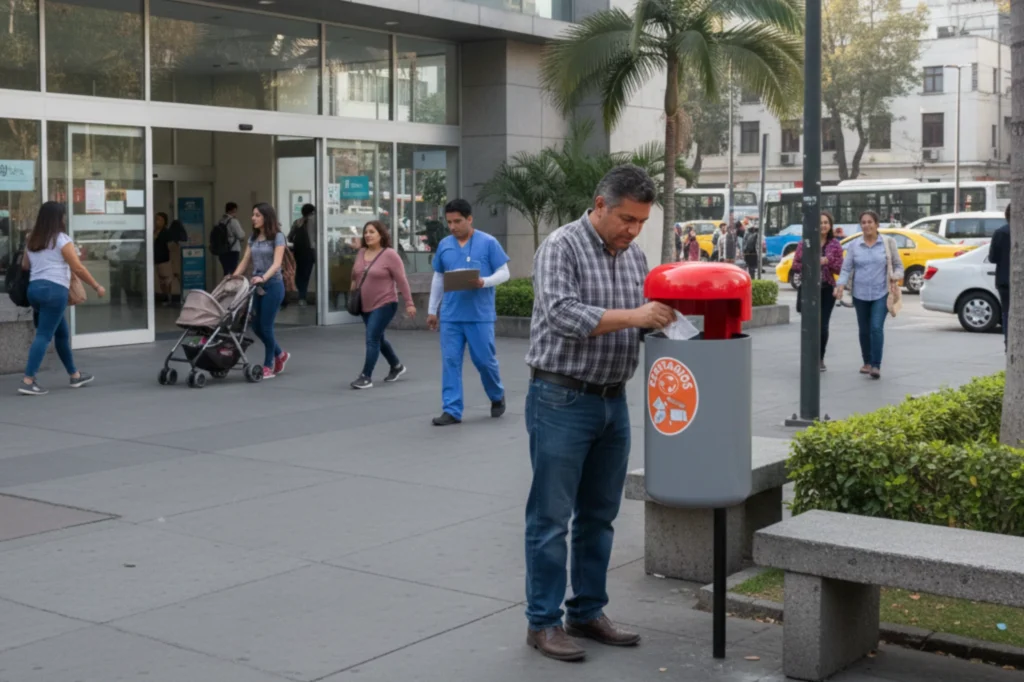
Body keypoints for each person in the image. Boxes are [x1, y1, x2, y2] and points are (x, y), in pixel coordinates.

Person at [523, 165, 676, 662]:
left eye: (641, 222)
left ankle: (587, 611)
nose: (632, 231)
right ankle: (543, 623)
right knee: (551, 518)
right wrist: (636, 316)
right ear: (600, 204)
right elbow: (561, 313)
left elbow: (644, 317)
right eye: (626, 219)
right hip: (561, 399)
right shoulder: (561, 246)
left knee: (600, 516)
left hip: (614, 400)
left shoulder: (634, 257)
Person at [426, 198, 510, 426]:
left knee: (484, 361)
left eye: (458, 221)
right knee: (450, 361)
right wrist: (432, 310)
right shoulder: (445, 244)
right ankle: (452, 409)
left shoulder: (488, 242)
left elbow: (505, 272)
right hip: (452, 315)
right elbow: (439, 278)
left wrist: (486, 281)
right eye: (449, 222)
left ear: (470, 219)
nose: (453, 227)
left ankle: (496, 394)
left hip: (479, 315)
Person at [19, 202, 105, 396]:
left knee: (61, 333)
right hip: (54, 290)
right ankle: (28, 380)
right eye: (63, 216)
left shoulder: (32, 239)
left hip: (35, 290)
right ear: (59, 218)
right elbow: (78, 268)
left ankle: (74, 375)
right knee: (44, 335)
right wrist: (96, 286)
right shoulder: (61, 239)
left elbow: (25, 265)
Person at [835, 210, 903, 379]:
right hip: (860, 294)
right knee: (864, 330)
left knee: (875, 328)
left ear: (877, 224)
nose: (866, 225)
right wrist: (840, 286)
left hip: (882, 293)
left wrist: (896, 276)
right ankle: (866, 362)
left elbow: (899, 266)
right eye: (863, 222)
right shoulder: (854, 246)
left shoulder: (888, 243)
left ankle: (876, 365)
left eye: (870, 222)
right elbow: (846, 268)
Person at [349, 220, 416, 389]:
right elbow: (355, 275)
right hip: (365, 304)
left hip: (385, 303)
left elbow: (402, 280)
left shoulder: (390, 254)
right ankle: (396, 366)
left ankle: (366, 376)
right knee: (379, 338)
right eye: (366, 232)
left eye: (372, 232)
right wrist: (351, 296)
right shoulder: (361, 252)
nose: (368, 235)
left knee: (372, 338)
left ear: (381, 234)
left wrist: (409, 303)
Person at [233, 203, 290, 379]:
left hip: (272, 285)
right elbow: (245, 260)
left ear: (266, 217)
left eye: (257, 215)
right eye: (253, 215)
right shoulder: (253, 237)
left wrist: (264, 277)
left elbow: (277, 263)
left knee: (266, 326)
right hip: (256, 287)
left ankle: (268, 365)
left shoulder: (278, 237)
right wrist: (233, 278)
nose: (253, 218)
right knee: (256, 326)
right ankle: (280, 354)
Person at [792, 211, 845, 371]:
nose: (823, 225)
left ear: (830, 226)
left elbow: (840, 267)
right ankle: (808, 357)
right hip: (808, 289)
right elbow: (795, 265)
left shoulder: (835, 244)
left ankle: (820, 358)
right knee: (809, 325)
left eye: (826, 223)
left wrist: (827, 261)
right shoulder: (805, 243)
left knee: (822, 325)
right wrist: (812, 263)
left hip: (827, 289)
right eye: (820, 222)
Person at [989, 203, 1011, 350]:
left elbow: (993, 258)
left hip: (1004, 281)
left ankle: (1008, 344)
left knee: (1007, 313)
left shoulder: (1001, 232)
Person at [289, 203, 316, 306]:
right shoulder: (315, 221)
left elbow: (290, 237)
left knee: (300, 274)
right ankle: (308, 297)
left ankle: (302, 297)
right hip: (311, 251)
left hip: (299, 251)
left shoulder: (297, 222)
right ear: (312, 211)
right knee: (310, 274)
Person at [216, 203, 245, 277]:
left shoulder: (221, 221)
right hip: (233, 250)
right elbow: (241, 235)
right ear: (233, 210)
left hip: (222, 250)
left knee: (226, 272)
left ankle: (225, 287)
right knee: (233, 272)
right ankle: (232, 288)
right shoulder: (233, 221)